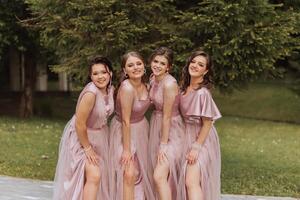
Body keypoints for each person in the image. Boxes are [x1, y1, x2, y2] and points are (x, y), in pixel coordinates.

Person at [53, 56, 114, 200]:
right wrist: (87, 148)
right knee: (94, 174)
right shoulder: (90, 94)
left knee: (94, 177)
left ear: (110, 73)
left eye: (103, 72)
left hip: (100, 137)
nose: (100, 77)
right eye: (95, 73)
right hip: (81, 138)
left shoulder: (111, 89)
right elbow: (79, 124)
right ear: (90, 76)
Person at [109, 51, 155, 200]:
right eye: (130, 65)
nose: (135, 67)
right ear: (125, 70)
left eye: (138, 63)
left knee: (142, 171)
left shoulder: (149, 85)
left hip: (141, 129)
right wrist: (127, 150)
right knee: (129, 173)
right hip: (124, 131)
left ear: (144, 66)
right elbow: (125, 121)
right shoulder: (127, 88)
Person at [177, 50, 221, 200]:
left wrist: (196, 148)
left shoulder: (202, 93)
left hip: (202, 139)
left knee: (191, 180)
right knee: (186, 180)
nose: (195, 66)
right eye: (193, 62)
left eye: (200, 64)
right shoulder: (183, 89)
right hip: (186, 135)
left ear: (206, 71)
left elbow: (208, 123)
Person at [148, 47, 185, 200]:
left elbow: (167, 116)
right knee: (158, 175)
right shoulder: (152, 78)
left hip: (171, 131)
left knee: (159, 176)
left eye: (162, 63)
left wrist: (163, 144)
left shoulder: (169, 84)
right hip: (156, 125)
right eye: (155, 61)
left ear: (168, 67)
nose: (157, 65)